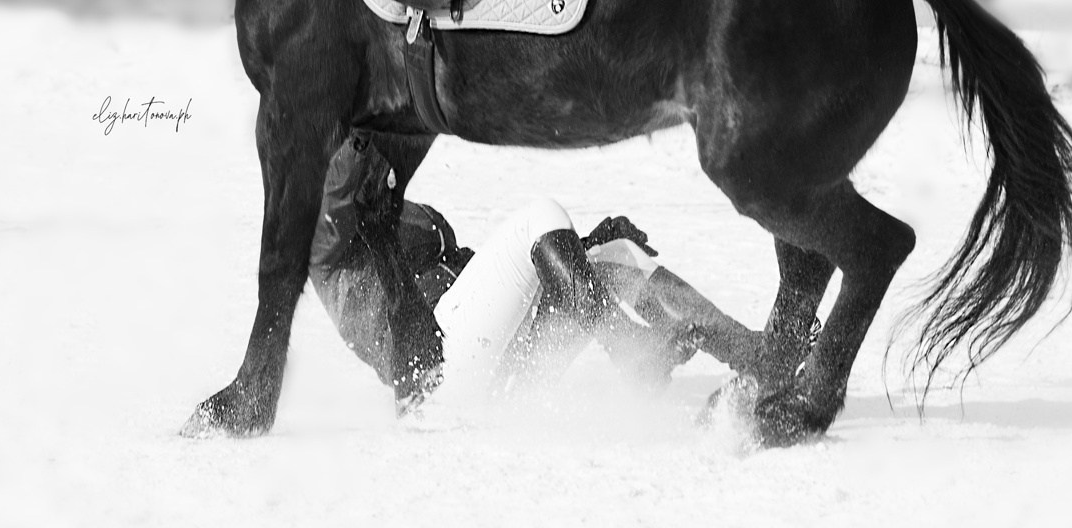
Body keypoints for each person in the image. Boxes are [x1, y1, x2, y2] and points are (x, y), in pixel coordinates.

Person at [308, 136, 767, 407]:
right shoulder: (322, 233)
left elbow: (500, 283)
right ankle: (633, 351)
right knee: (539, 214)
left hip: (502, 378)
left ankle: (754, 355)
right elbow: (342, 180)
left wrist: (585, 248)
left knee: (616, 254)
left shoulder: (408, 213)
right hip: (433, 379)